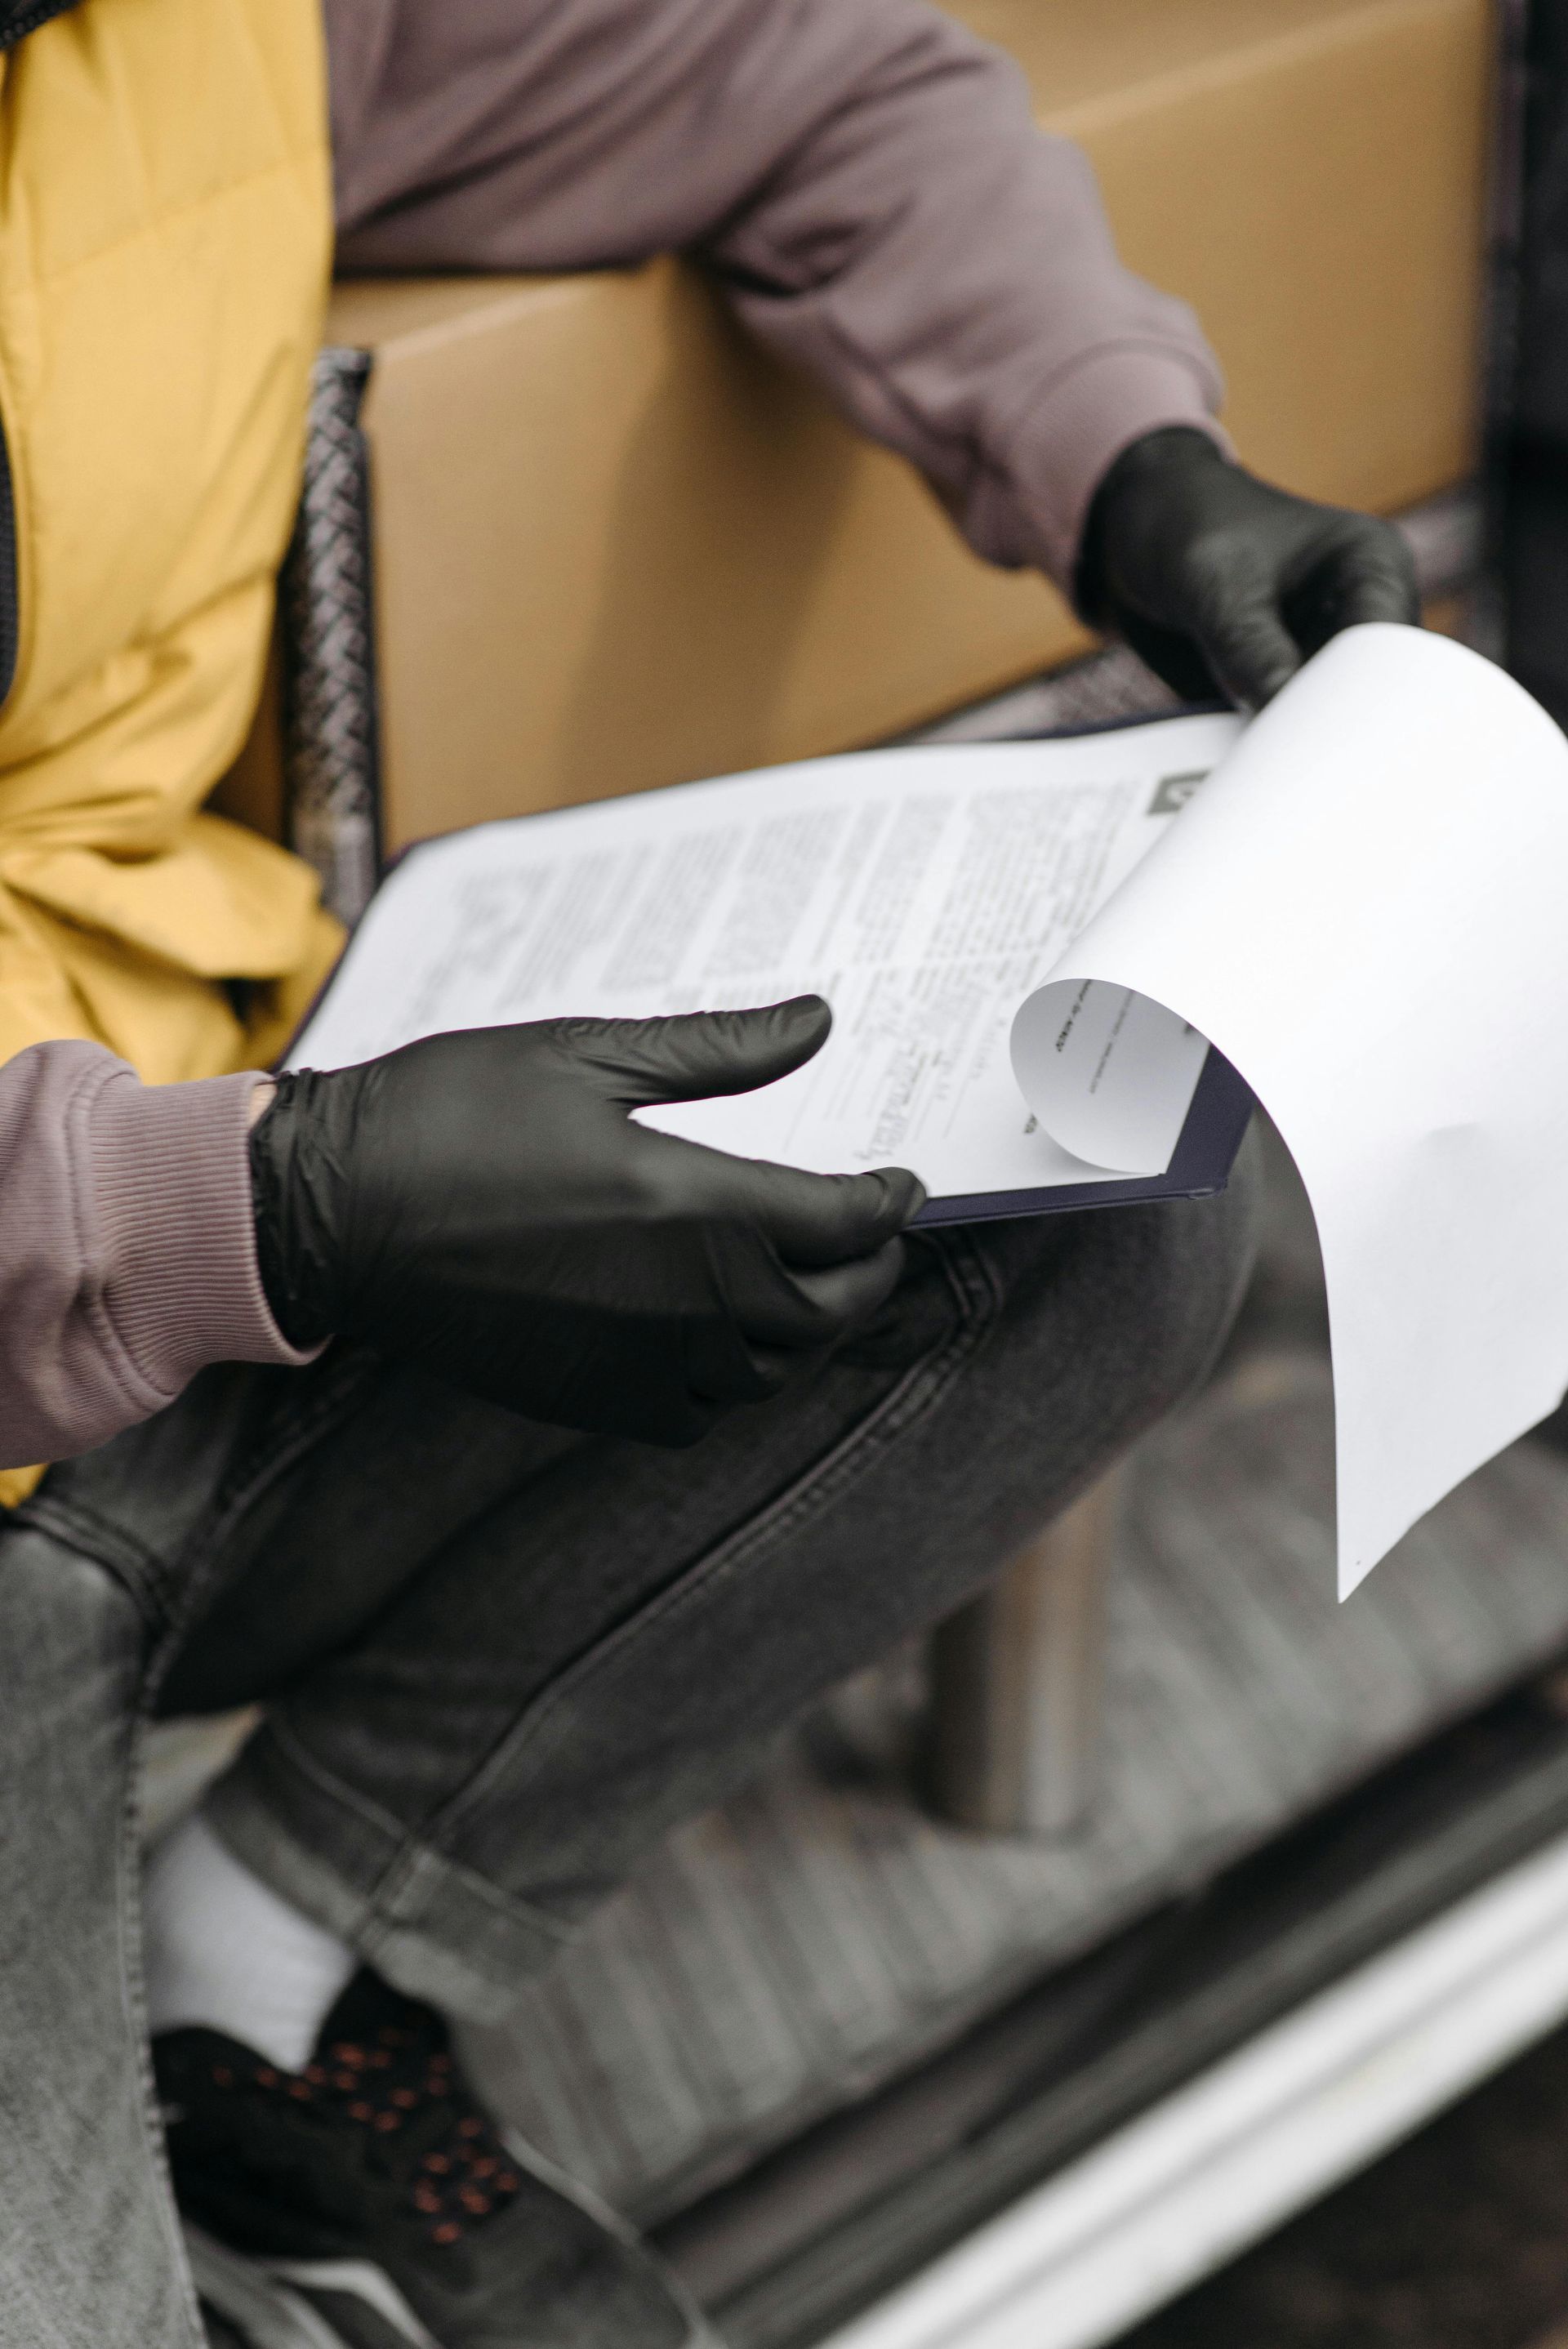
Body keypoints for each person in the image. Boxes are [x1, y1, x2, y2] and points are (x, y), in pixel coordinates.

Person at [0, 2, 1417, 2344]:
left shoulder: (208, 24)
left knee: (1076, 1203)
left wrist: (1123, 460)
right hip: (180, 1219)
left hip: (193, 1206)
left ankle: (254, 1971)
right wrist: (281, 1202)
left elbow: (804, 78)